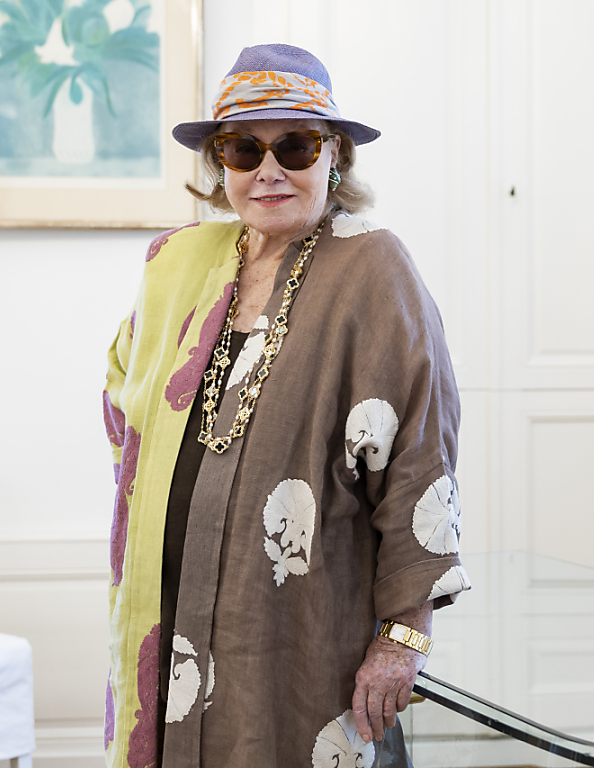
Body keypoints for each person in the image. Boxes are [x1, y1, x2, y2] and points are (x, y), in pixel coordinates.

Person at [101, 43, 470, 768]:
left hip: (299, 625)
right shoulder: (177, 265)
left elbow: (418, 461)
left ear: (334, 157)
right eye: (244, 149)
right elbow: (124, 403)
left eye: (295, 146)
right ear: (221, 165)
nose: (268, 170)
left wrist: (404, 638)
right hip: (168, 611)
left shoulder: (373, 268)